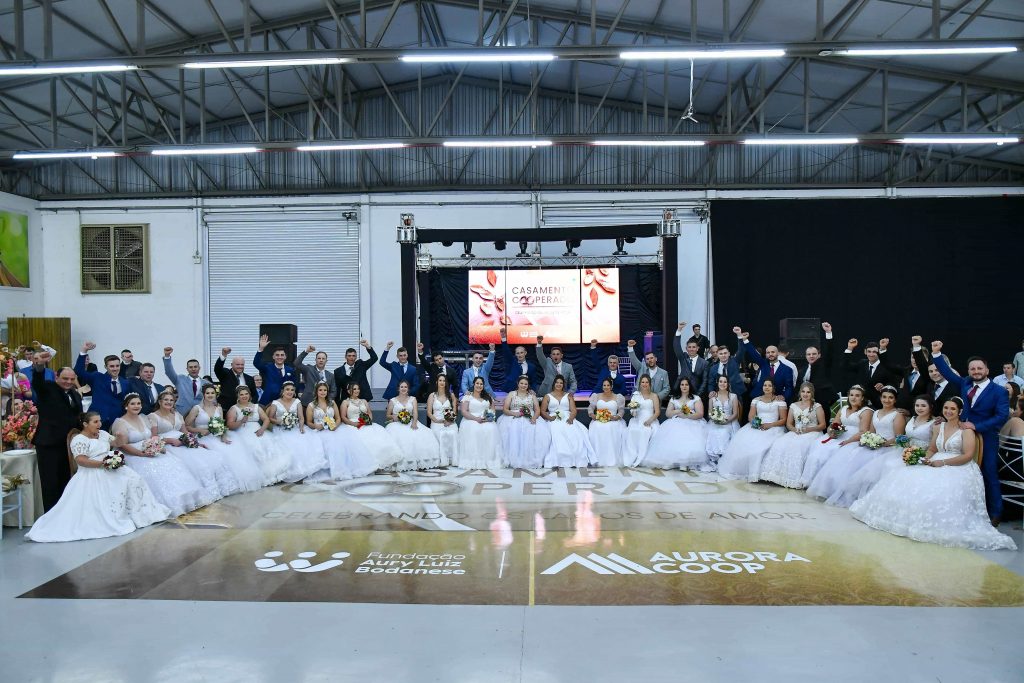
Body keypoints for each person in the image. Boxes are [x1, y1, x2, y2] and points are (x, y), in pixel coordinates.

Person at [850, 397, 1016, 550]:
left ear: (960, 411)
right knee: (907, 478)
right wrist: (923, 459)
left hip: (958, 465)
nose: (948, 411)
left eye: (952, 409)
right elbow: (932, 448)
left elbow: (967, 456)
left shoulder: (966, 430)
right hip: (935, 460)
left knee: (937, 491)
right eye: (946, 408)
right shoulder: (938, 426)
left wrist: (941, 463)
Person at [25, 412, 170, 542]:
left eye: (99, 421)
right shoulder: (79, 439)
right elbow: (81, 460)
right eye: (95, 422)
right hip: (92, 471)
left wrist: (120, 438)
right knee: (115, 485)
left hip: (110, 467)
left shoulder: (103, 434)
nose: (99, 424)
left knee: (134, 479)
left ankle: (140, 515)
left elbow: (117, 443)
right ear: (85, 424)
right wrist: (103, 464)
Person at [931, 341, 1009, 525]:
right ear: (968, 371)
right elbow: (948, 373)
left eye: (979, 368)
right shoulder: (966, 382)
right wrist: (936, 354)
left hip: (986, 436)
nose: (976, 371)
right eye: (972, 369)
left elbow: (1001, 416)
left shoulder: (999, 391)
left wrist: (976, 426)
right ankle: (966, 510)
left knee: (988, 472)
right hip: (962, 435)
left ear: (987, 370)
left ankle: (996, 512)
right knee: (962, 472)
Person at [112, 393, 212, 517]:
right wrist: (142, 454)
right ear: (126, 406)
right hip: (133, 454)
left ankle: (184, 499)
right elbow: (122, 445)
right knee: (154, 471)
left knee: (172, 463)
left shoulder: (143, 418)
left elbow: (152, 437)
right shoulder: (120, 422)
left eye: (138, 403)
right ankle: (168, 503)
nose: (136, 406)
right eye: (132, 404)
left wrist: (157, 447)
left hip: (149, 449)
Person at [811, 386, 906, 506]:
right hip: (875, 444)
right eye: (884, 397)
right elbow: (871, 432)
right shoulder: (876, 413)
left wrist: (882, 443)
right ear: (880, 398)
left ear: (895, 400)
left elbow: (898, 437)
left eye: (890, 397)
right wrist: (868, 440)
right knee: (853, 455)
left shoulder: (897, 415)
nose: (887, 400)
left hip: (889, 447)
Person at [840, 395, 938, 507]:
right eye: (917, 405)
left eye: (923, 406)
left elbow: (933, 446)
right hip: (905, 450)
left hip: (921, 453)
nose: (919, 408)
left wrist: (921, 456)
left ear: (931, 407)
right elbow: (904, 436)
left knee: (892, 467)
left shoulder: (935, 423)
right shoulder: (912, 419)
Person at [148, 390, 236, 500]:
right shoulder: (153, 416)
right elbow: (154, 436)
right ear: (160, 401)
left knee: (210, 458)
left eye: (171, 400)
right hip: (169, 445)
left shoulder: (177, 414)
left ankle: (214, 490)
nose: (169, 402)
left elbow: (185, 432)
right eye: (166, 400)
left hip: (183, 442)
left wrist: (196, 442)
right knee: (195, 465)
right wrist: (169, 440)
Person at [185, 384, 265, 492]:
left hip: (216, 436)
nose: (210, 395)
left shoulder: (218, 408)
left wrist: (223, 436)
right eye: (207, 393)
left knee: (233, 452)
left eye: (212, 393)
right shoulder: (197, 409)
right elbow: (186, 426)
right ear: (203, 394)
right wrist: (199, 430)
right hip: (202, 437)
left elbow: (221, 424)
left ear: (216, 394)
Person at [29, 352, 83, 511]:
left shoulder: (75, 394)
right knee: (51, 483)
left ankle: (64, 513)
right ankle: (51, 516)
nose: (69, 382)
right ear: (56, 377)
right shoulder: (48, 388)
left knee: (67, 481)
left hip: (68, 445)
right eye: (65, 378)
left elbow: (77, 417)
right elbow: (37, 381)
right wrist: (40, 365)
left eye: (72, 379)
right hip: (49, 444)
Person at [759, 382, 827, 489]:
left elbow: (823, 425)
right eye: (803, 391)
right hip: (796, 431)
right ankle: (776, 475)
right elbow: (788, 424)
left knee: (798, 447)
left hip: (812, 432)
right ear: (800, 393)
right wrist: (795, 430)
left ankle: (794, 478)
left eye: (808, 392)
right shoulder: (794, 405)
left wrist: (808, 429)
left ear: (812, 394)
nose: (805, 394)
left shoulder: (817, 406)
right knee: (779, 444)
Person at [718, 378, 788, 482]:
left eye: (769, 386)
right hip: (757, 426)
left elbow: (783, 419)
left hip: (773, 427)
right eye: (765, 385)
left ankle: (763, 473)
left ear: (773, 388)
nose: (767, 387)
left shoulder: (780, 402)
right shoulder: (756, 400)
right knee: (744, 444)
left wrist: (769, 425)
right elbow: (750, 417)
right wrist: (756, 424)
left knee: (763, 447)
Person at [309, 382, 378, 481]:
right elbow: (309, 422)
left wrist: (335, 426)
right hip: (319, 430)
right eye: (320, 390)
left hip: (333, 429)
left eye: (325, 390)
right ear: (316, 391)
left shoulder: (332, 403)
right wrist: (317, 426)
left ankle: (340, 469)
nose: (323, 392)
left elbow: (338, 418)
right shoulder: (311, 405)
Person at [226, 386, 290, 486]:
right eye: (241, 394)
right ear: (238, 396)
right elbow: (230, 425)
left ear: (249, 395)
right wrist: (241, 421)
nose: (244, 396)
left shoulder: (256, 406)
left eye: (246, 394)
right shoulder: (234, 409)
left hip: (258, 431)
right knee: (254, 449)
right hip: (242, 433)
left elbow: (266, 419)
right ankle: (259, 477)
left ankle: (274, 475)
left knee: (269, 448)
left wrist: (262, 429)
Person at [641, 377, 708, 471]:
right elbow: (668, 413)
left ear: (690, 386)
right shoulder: (674, 398)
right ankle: (670, 461)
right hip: (676, 421)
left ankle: (684, 463)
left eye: (686, 385)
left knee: (686, 437)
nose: (684, 386)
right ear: (679, 386)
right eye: (682, 384)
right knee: (672, 436)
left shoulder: (696, 398)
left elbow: (700, 414)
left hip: (692, 422)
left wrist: (687, 416)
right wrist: (678, 411)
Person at [268, 381, 327, 482]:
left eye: (292, 390)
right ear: (282, 391)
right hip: (281, 429)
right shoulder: (275, 403)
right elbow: (270, 418)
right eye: (287, 389)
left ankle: (302, 472)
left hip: (295, 428)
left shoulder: (297, 402)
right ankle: (287, 473)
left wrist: (301, 426)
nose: (290, 392)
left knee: (304, 443)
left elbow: (301, 417)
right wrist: (280, 421)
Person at [339, 382, 402, 472]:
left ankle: (378, 464)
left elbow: (369, 413)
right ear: (349, 391)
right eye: (354, 389)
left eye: (358, 389)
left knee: (376, 440)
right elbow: (343, 417)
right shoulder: (345, 402)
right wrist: (354, 424)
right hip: (352, 425)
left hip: (365, 424)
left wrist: (368, 420)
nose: (357, 391)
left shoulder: (364, 401)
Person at [385, 379, 442, 471]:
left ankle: (416, 461)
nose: (403, 388)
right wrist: (395, 417)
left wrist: (414, 422)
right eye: (402, 387)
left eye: (405, 387)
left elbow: (415, 413)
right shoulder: (393, 400)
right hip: (397, 424)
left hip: (411, 422)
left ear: (408, 389)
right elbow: (388, 415)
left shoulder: (413, 399)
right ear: (398, 389)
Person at [540, 374, 594, 469]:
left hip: (567, 417)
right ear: (554, 384)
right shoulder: (547, 396)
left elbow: (573, 410)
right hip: (553, 418)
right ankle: (557, 458)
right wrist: (549, 418)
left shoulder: (568, 395)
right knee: (555, 432)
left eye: (561, 383)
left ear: (563, 385)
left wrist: (571, 418)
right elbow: (543, 411)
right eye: (557, 382)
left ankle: (573, 458)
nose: (559, 384)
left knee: (573, 432)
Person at [499, 375, 550, 469]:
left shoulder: (532, 396)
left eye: (525, 384)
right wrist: (515, 414)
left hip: (530, 417)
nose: (523, 385)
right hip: (513, 417)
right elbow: (505, 409)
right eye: (521, 383)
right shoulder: (511, 394)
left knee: (537, 433)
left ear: (528, 385)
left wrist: (534, 418)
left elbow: (537, 410)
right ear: (518, 384)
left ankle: (531, 458)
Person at [74, 342, 129, 429]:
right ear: (105, 367)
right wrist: (84, 350)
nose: (115, 369)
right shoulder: (97, 377)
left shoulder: (125, 382)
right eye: (111, 366)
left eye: (117, 366)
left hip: (117, 423)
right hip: (97, 422)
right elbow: (79, 371)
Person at [455, 376, 504, 470]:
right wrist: (476, 419)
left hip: (486, 420)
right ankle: (473, 460)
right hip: (471, 419)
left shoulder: (488, 396)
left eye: (481, 384)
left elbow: (493, 410)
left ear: (483, 385)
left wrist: (489, 418)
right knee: (474, 429)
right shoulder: (468, 396)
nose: (479, 385)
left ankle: (489, 460)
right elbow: (464, 411)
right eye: (477, 383)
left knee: (491, 429)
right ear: (473, 384)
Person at [735, 327, 795, 402]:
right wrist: (745, 340)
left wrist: (784, 396)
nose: (770, 354)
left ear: (778, 353)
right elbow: (753, 352)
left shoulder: (787, 369)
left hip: (776, 400)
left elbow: (789, 388)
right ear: (766, 354)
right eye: (768, 352)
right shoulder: (763, 364)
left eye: (773, 352)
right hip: (758, 398)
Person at [879, 336, 932, 412]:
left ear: (926, 360)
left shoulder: (928, 374)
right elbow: (888, 365)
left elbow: (928, 398)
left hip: (918, 412)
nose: (915, 360)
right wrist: (882, 348)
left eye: (918, 358)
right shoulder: (906, 370)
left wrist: (910, 412)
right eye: (913, 357)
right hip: (900, 410)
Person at [843, 338, 899, 408]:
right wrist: (850, 348)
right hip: (861, 405)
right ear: (865, 352)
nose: (871, 354)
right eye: (869, 351)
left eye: (874, 352)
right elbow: (845, 366)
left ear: (879, 352)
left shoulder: (887, 366)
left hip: (879, 405)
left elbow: (894, 384)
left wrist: (884, 387)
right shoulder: (862, 363)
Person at [793, 322, 837, 408]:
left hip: (822, 403)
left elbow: (829, 352)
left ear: (819, 355)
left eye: (814, 354)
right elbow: (798, 388)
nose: (811, 356)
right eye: (808, 354)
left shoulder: (824, 365)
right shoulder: (802, 370)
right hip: (805, 404)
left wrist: (828, 332)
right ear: (806, 356)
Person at [622, 375, 661, 467]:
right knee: (631, 431)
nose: (645, 384)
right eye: (643, 382)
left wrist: (650, 420)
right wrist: (634, 411)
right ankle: (633, 456)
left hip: (650, 419)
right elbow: (632, 411)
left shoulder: (654, 396)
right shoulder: (636, 395)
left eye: (647, 382)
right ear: (640, 384)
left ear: (650, 384)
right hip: (637, 420)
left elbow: (657, 412)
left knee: (647, 431)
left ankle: (644, 458)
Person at [587, 378, 626, 467]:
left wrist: (617, 417)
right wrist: (592, 414)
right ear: (602, 386)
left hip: (613, 420)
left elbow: (621, 410)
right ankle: (597, 458)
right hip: (599, 420)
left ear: (611, 387)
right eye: (604, 385)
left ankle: (611, 458)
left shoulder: (618, 397)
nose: (606, 387)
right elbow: (591, 407)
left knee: (610, 428)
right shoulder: (596, 396)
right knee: (597, 427)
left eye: (608, 385)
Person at [704, 374, 740, 468]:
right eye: (720, 381)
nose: (722, 384)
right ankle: (715, 458)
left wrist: (726, 421)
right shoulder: (712, 397)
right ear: (717, 383)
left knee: (724, 433)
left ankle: (724, 457)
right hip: (715, 422)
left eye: (725, 382)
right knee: (712, 432)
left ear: (728, 384)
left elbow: (735, 413)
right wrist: (715, 419)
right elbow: (710, 413)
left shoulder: (733, 396)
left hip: (729, 421)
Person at [162, 347, 210, 416]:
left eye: (195, 367)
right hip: (182, 412)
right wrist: (167, 356)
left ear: (199, 368)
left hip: (200, 414)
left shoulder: (206, 383)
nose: (193, 369)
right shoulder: (180, 379)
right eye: (190, 367)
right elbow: (169, 372)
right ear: (187, 369)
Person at [252, 335, 296, 405]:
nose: (279, 357)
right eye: (277, 355)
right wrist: (261, 348)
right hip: (267, 402)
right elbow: (256, 363)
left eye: (282, 355)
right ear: (273, 357)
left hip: (284, 402)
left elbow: (293, 385)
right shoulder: (268, 367)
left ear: (285, 357)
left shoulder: (290, 370)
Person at [426, 373, 459, 467]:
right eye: (440, 380)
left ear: (446, 383)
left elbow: (455, 412)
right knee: (439, 433)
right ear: (437, 382)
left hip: (449, 422)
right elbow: (429, 412)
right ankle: (441, 458)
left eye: (444, 381)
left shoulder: (451, 395)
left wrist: (450, 421)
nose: (442, 382)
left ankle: (453, 458)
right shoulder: (432, 396)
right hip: (436, 421)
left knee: (453, 432)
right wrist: (436, 421)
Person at [214, 349, 258, 414]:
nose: (240, 366)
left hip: (244, 411)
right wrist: (224, 355)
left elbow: (254, 395)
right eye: (237, 364)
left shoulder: (250, 378)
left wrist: (249, 406)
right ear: (232, 365)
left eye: (242, 364)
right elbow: (218, 368)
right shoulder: (225, 374)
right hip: (226, 410)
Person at [674, 323, 708, 397]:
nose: (691, 349)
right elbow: (676, 347)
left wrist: (697, 396)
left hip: (697, 394)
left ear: (697, 348)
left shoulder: (704, 363)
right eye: (689, 347)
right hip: (681, 393)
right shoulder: (683, 358)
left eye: (693, 347)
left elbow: (704, 381)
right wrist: (679, 330)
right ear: (686, 348)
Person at [500, 327, 539, 392]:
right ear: (515, 354)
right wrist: (503, 339)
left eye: (521, 352)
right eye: (517, 353)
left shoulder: (532, 366)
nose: (519, 355)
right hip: (511, 391)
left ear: (525, 353)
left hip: (525, 392)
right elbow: (506, 352)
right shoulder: (512, 362)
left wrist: (533, 390)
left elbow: (534, 381)